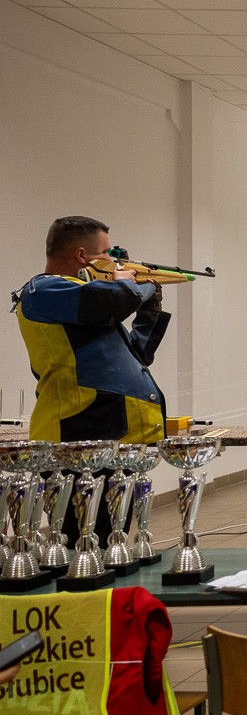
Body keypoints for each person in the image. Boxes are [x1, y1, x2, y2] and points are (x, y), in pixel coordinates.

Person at [12, 216, 169, 541]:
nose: (112, 261)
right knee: (82, 546)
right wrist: (135, 284)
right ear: (82, 255)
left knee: (112, 541)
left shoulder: (85, 306)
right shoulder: (44, 290)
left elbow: (137, 356)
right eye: (106, 253)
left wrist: (150, 308)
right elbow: (112, 302)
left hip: (112, 438)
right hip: (78, 440)